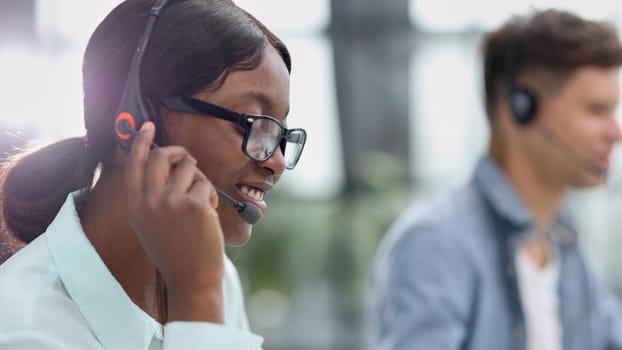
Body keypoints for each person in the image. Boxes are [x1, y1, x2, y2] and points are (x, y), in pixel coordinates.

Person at [0, 0, 306, 349]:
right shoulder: (20, 329)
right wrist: (197, 297)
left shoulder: (214, 275)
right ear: (136, 126)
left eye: (280, 134)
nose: (277, 162)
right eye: (254, 123)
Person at [369, 8, 622, 350]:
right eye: (597, 110)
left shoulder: (564, 240)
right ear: (521, 106)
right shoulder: (436, 244)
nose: (616, 132)